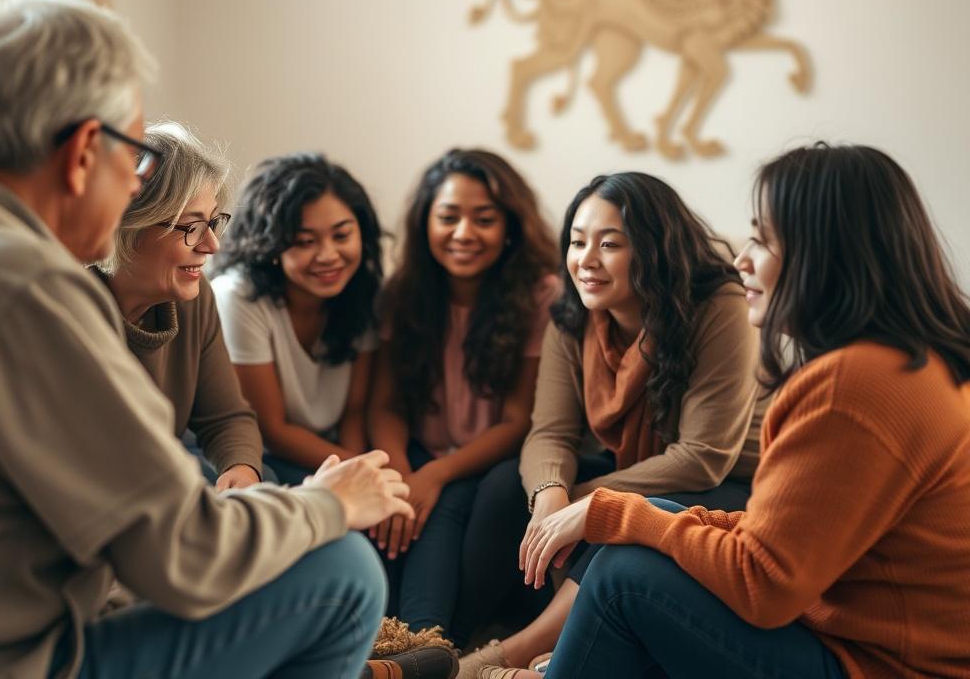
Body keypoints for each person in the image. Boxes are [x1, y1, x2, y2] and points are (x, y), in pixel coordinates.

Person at [0, 0, 411, 679]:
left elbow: (224, 421)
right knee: (343, 569)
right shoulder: (28, 286)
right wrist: (327, 503)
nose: (133, 186)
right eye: (129, 155)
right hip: (18, 661)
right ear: (81, 153)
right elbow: (185, 556)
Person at [515, 144, 970, 678]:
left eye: (762, 238)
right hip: (865, 637)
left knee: (624, 572)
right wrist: (628, 512)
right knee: (649, 524)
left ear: (824, 253)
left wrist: (613, 512)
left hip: (878, 664)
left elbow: (763, 584)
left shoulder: (854, 386)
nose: (741, 258)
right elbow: (776, 541)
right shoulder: (906, 363)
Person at [458, 172, 764, 675]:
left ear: (655, 250)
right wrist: (553, 492)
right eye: (577, 242)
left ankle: (510, 656)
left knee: (613, 518)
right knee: (501, 487)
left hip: (730, 483)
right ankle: (443, 640)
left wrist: (586, 501)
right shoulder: (572, 312)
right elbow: (550, 433)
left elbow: (704, 456)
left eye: (610, 244)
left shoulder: (718, 305)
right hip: (641, 464)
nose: (586, 260)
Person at [369, 148, 559, 639]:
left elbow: (519, 420)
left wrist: (435, 474)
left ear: (510, 226)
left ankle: (420, 640)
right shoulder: (402, 292)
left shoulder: (541, 295)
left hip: (492, 458)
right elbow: (385, 405)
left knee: (448, 503)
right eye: (448, 217)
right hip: (417, 452)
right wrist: (401, 477)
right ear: (425, 222)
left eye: (484, 219)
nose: (463, 233)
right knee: (395, 514)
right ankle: (403, 641)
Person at [95, 121, 263, 490]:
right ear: (127, 228)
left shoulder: (192, 294)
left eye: (214, 222)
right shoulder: (70, 311)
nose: (212, 245)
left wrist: (241, 469)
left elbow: (226, 417)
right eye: (191, 227)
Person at [212, 154, 382, 486]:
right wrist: (361, 471)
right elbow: (273, 429)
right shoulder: (239, 296)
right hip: (261, 459)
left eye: (342, 235)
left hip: (331, 456)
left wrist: (357, 474)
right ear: (271, 244)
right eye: (305, 242)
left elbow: (354, 412)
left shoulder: (365, 291)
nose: (328, 255)